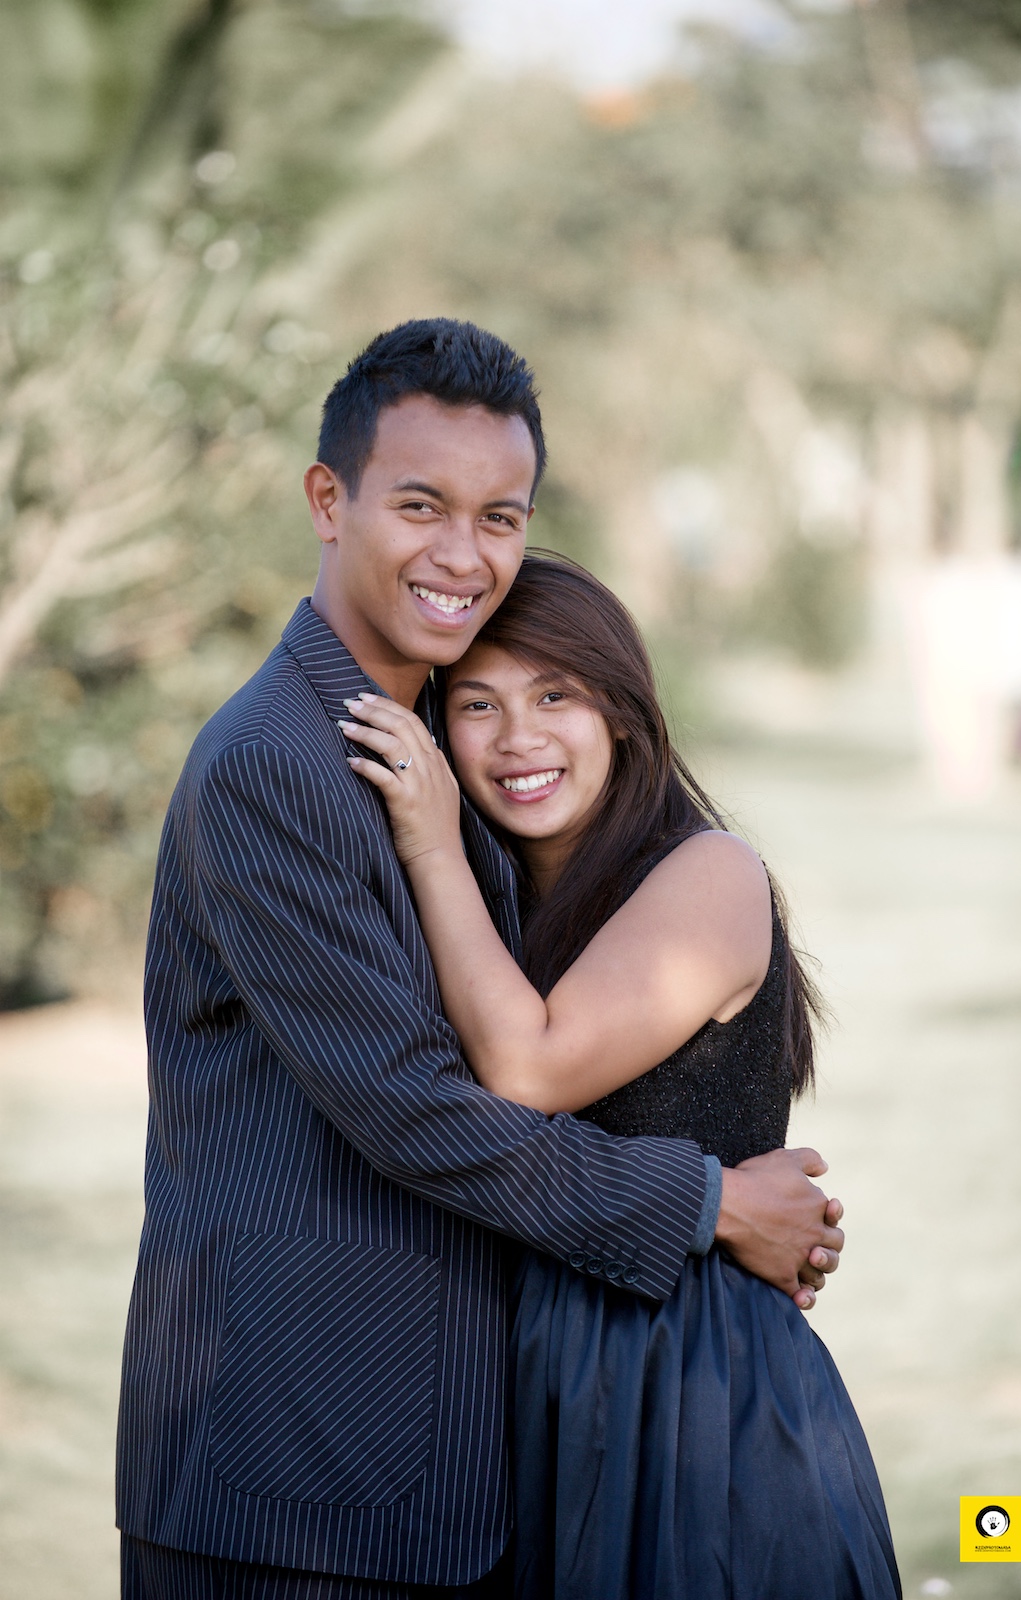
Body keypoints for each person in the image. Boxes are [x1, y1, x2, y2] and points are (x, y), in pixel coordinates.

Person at [116, 319, 844, 1599]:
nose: (461, 555)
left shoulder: (434, 766)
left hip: (472, 1459)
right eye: (419, 505)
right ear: (327, 500)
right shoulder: (275, 767)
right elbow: (417, 1108)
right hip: (297, 1484)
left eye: (497, 517)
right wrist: (711, 1204)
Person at [340, 552, 901, 1600]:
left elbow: (527, 1069)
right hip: (527, 1384)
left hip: (688, 1383)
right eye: (477, 704)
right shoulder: (494, 910)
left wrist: (430, 843)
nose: (519, 738)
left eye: (556, 695)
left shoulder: (710, 872)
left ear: (624, 714)